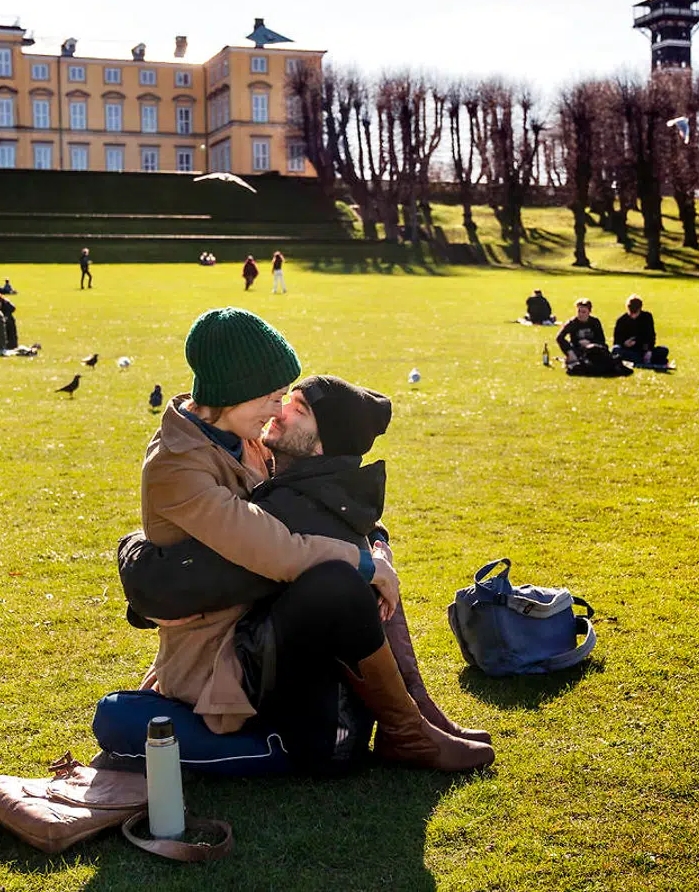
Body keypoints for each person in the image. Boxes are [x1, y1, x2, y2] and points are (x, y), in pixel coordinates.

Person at [133, 308, 492, 772]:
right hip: (218, 663)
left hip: (255, 625)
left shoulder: (240, 436)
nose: (276, 410)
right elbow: (276, 548)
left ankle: (416, 718)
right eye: (272, 397)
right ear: (235, 393)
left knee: (351, 569)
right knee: (339, 582)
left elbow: (314, 506)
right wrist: (368, 564)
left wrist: (375, 551)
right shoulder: (178, 465)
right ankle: (408, 728)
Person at [612, 294, 668, 367]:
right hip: (628, 350)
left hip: (643, 349)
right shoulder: (621, 320)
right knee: (616, 350)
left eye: (635, 313)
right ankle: (646, 360)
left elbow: (651, 336)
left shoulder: (647, 317)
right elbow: (616, 341)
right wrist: (624, 343)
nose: (633, 316)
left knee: (664, 350)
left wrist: (649, 351)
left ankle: (643, 359)